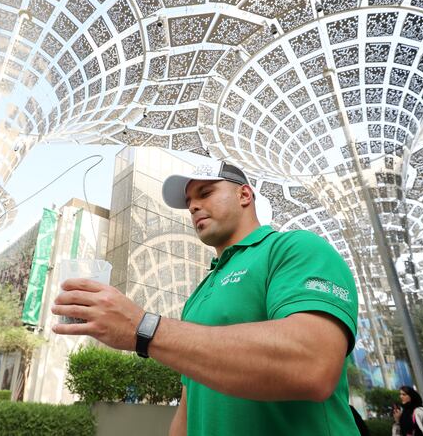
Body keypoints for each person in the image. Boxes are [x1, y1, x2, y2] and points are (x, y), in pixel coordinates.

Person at [52, 160, 359, 435]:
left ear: (244, 195)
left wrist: (142, 327)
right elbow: (191, 405)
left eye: (206, 193)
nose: (194, 206)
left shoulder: (294, 248)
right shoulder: (198, 295)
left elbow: (313, 364)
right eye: (189, 202)